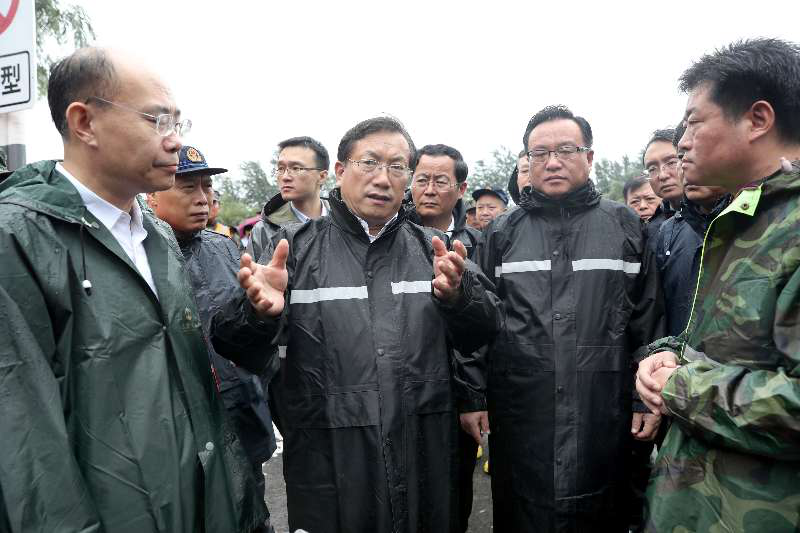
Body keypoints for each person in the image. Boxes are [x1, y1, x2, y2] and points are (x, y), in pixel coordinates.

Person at [0, 47, 267, 532]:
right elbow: (24, 439)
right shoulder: (16, 237)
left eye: (178, 122)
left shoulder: (155, 235)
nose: (175, 140)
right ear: (84, 123)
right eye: (157, 120)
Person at [211, 116, 500, 533]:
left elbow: (487, 328)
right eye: (369, 162)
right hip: (328, 459)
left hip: (426, 455)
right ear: (341, 170)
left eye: (397, 166)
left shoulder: (434, 252)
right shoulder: (293, 251)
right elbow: (233, 344)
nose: (382, 178)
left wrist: (460, 297)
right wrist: (257, 314)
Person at [636, 38, 800, 532]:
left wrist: (680, 386)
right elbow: (733, 345)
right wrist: (669, 353)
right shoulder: (745, 218)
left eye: (693, 122)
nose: (682, 142)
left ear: (757, 119)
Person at [476, 105, 664, 532]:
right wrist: (474, 397)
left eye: (565, 150)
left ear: (589, 157)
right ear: (526, 162)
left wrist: (644, 400)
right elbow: (483, 321)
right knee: (525, 510)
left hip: (605, 407)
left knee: (606, 510)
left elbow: (648, 318)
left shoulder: (624, 225)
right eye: (539, 154)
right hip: (524, 409)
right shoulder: (502, 232)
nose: (552, 162)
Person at [147, 145, 277, 532]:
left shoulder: (224, 248)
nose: (203, 198)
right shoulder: (139, 254)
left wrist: (261, 315)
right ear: (152, 195)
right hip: (177, 428)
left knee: (251, 513)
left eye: (207, 186)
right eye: (188, 187)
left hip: (240, 415)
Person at [409, 143, 484, 532]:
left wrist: (474, 396)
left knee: (452, 497)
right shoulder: (392, 238)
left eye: (440, 181)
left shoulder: (480, 244)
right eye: (421, 179)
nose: (429, 189)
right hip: (406, 391)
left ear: (461, 188)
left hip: (459, 397)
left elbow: (484, 328)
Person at [652, 124, 728, 337]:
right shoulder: (668, 231)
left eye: (671, 162)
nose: (686, 166)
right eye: (681, 157)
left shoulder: (761, 220)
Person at [248, 136, 330, 262]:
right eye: (281, 169)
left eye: (296, 168)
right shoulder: (265, 231)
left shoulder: (347, 222)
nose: (285, 177)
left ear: (322, 176)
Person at [643, 128, 684, 236]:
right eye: (652, 169)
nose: (662, 175)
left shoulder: (713, 215)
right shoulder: (651, 231)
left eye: (671, 163)